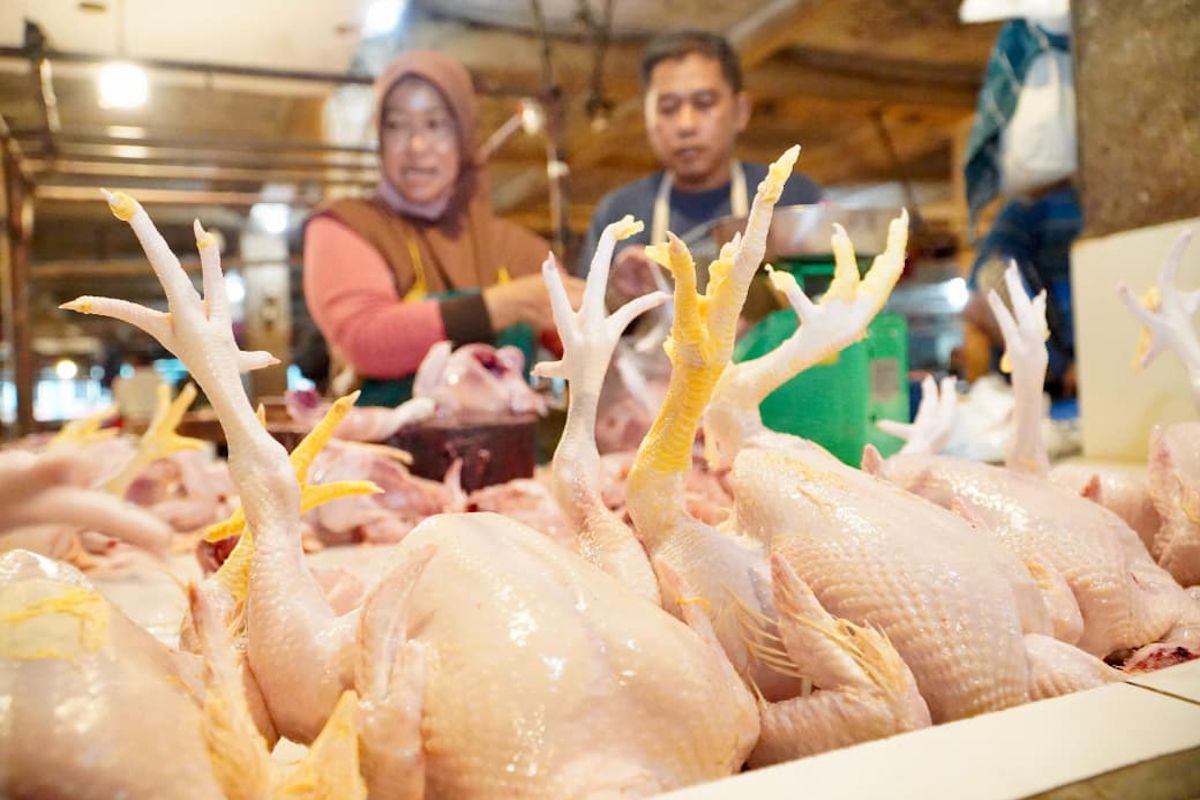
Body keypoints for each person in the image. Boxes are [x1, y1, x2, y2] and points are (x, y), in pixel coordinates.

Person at [304, 51, 584, 407]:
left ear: (464, 136)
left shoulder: (517, 248)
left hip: (508, 459)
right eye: (397, 125)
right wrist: (510, 304)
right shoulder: (346, 226)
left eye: (435, 125)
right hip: (384, 457)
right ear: (380, 137)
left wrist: (621, 305)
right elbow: (366, 341)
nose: (416, 147)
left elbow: (583, 339)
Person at [577, 29, 822, 291]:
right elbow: (584, 315)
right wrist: (617, 296)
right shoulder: (618, 215)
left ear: (740, 111)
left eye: (704, 103)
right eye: (668, 108)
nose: (686, 125)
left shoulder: (793, 200)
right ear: (646, 117)